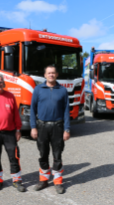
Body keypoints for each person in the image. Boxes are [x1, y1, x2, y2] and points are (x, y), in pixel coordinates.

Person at [30, 65, 70, 194]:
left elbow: (66, 111)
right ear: (45, 75)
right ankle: (43, 180)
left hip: (58, 127)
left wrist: (67, 129)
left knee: (57, 155)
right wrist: (33, 127)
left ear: (57, 75)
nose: (51, 75)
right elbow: (32, 110)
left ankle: (57, 182)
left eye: (53, 73)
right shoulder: (38, 89)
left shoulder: (63, 90)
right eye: (49, 73)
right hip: (41, 127)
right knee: (43, 155)